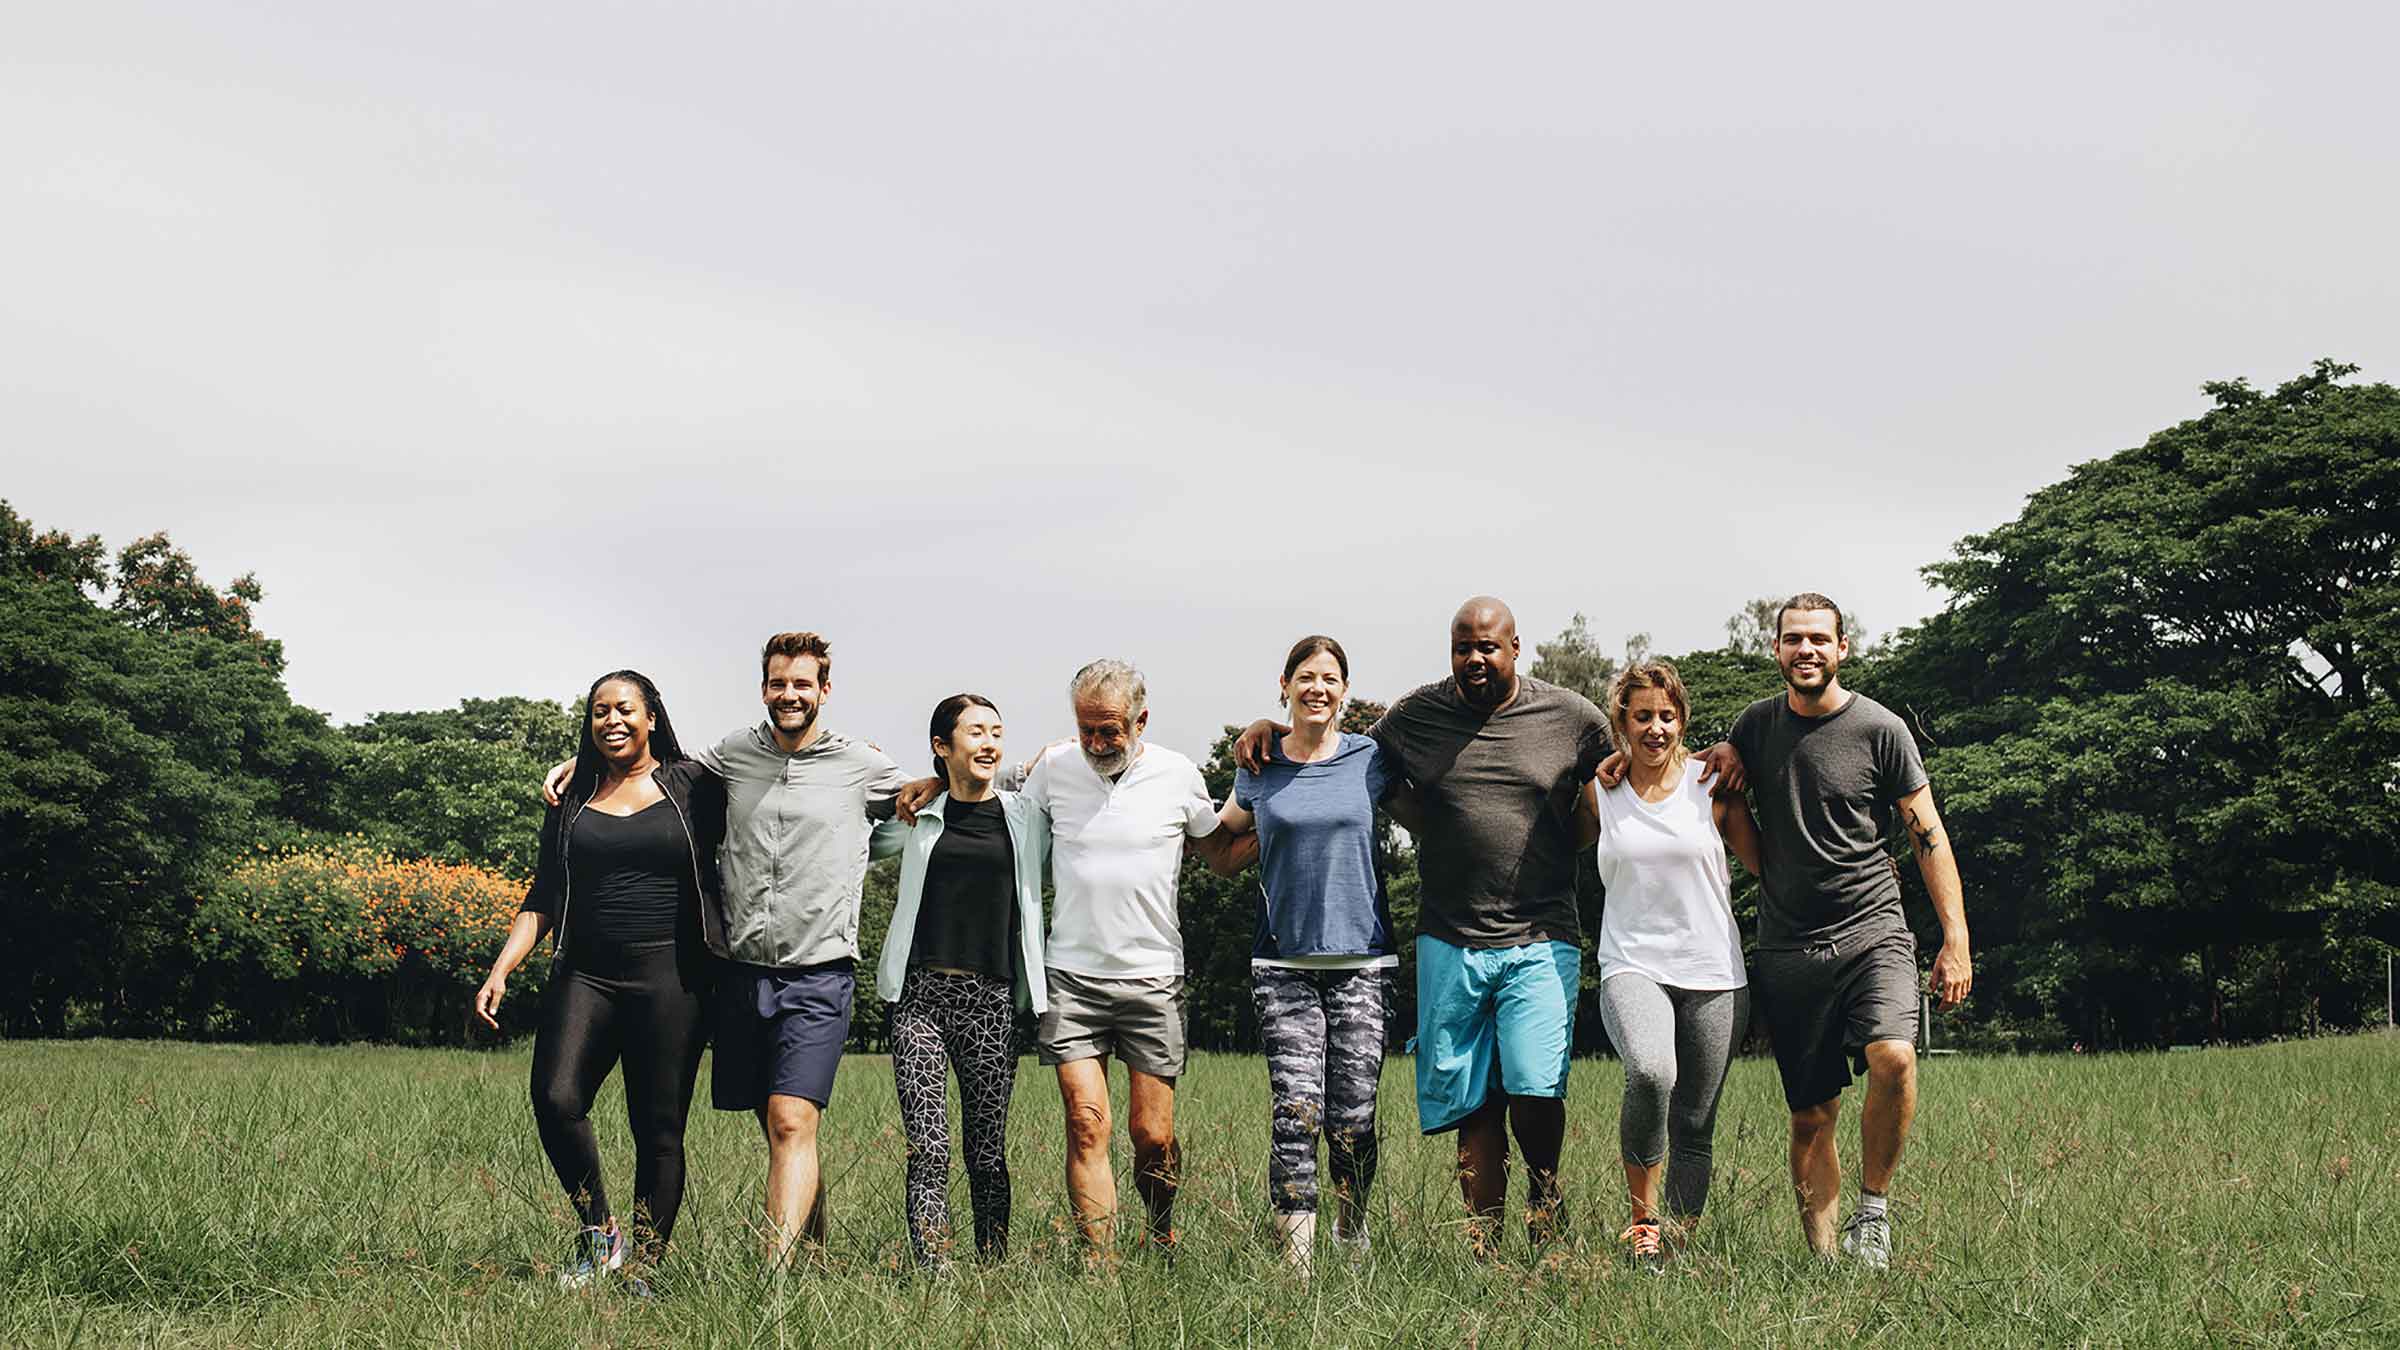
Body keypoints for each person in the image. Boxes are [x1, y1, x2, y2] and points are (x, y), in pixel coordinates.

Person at [1238, 598, 1741, 1257]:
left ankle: (1544, 1198)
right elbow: (1335, 745)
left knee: (1535, 1085)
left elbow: (1644, 749)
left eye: (1488, 647)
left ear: (1515, 649)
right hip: (1448, 932)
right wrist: (1271, 726)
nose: (1475, 659)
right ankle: (1485, 1243)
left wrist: (1723, 750)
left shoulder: (1568, 714)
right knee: (1473, 1103)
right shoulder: (1417, 716)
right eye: (1463, 648)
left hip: (1541, 931)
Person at [544, 632, 910, 1267]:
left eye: (802, 684)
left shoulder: (862, 765)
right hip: (739, 973)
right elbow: (654, 765)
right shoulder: (732, 755)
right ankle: (815, 1249)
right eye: (778, 683)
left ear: (825, 690)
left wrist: (1032, 766)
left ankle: (774, 1285)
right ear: (764, 688)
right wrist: (583, 765)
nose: (789, 694)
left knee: (793, 1123)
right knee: (778, 1125)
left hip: (819, 970)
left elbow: (929, 798)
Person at [896, 659, 1251, 1258]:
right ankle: (1102, 1265)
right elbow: (984, 793)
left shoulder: (1179, 775)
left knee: (1152, 1135)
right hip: (1071, 979)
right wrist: (935, 780)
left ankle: (1161, 1233)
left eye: (1109, 730)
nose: (1095, 743)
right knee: (1088, 1123)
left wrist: (1284, 804)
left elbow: (1218, 850)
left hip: (1154, 978)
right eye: (1085, 729)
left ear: (1141, 721)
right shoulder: (1054, 770)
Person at [1724, 592, 1971, 1268]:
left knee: (1894, 1056)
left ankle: (1875, 1214)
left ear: (1842, 649)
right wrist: (1767, 871)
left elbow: (1928, 836)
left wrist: (1956, 938)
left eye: (1818, 639)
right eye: (1793, 639)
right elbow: (1722, 800)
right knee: (1812, 1116)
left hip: (1873, 929)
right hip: (1789, 948)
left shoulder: (1881, 729)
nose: (1806, 650)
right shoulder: (1753, 727)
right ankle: (1829, 1263)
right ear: (1775, 649)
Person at [478, 669, 725, 1292]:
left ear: (650, 717)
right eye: (598, 713)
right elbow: (543, 895)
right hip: (585, 974)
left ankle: (646, 1267)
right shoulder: (573, 798)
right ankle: (598, 1232)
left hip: (673, 979)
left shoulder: (694, 786)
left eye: (624, 710)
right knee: (557, 1099)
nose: (611, 721)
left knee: (658, 1128)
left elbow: (769, 779)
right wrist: (502, 968)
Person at [1212, 636, 1397, 1273]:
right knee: (1297, 1110)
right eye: (1306, 677)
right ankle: (1295, 1267)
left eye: (1330, 678)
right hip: (1283, 965)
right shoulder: (1259, 767)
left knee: (1355, 1120)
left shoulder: (1371, 757)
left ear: (1345, 692)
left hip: (1363, 964)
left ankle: (1351, 1229)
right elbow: (1221, 838)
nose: (1318, 688)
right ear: (1285, 685)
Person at [1581, 660, 1762, 1269]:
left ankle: (1677, 1249)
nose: (1655, 728)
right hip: (1631, 963)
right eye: (1642, 716)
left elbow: (1770, 868)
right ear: (1621, 724)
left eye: (1667, 715)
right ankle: (1643, 1228)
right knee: (1653, 1073)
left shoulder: (1713, 787)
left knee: (1695, 1122)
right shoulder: (1601, 792)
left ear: (1682, 719)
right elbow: (1545, 850)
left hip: (1714, 973)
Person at [872, 694, 1052, 1269]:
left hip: (992, 1001)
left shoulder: (1025, 818)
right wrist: (912, 787)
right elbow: (857, 841)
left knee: (986, 1149)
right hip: (919, 999)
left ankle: (993, 1263)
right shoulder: (917, 818)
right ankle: (934, 1266)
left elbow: (1068, 758)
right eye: (974, 732)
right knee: (927, 1144)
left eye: (996, 732)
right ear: (941, 747)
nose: (989, 743)